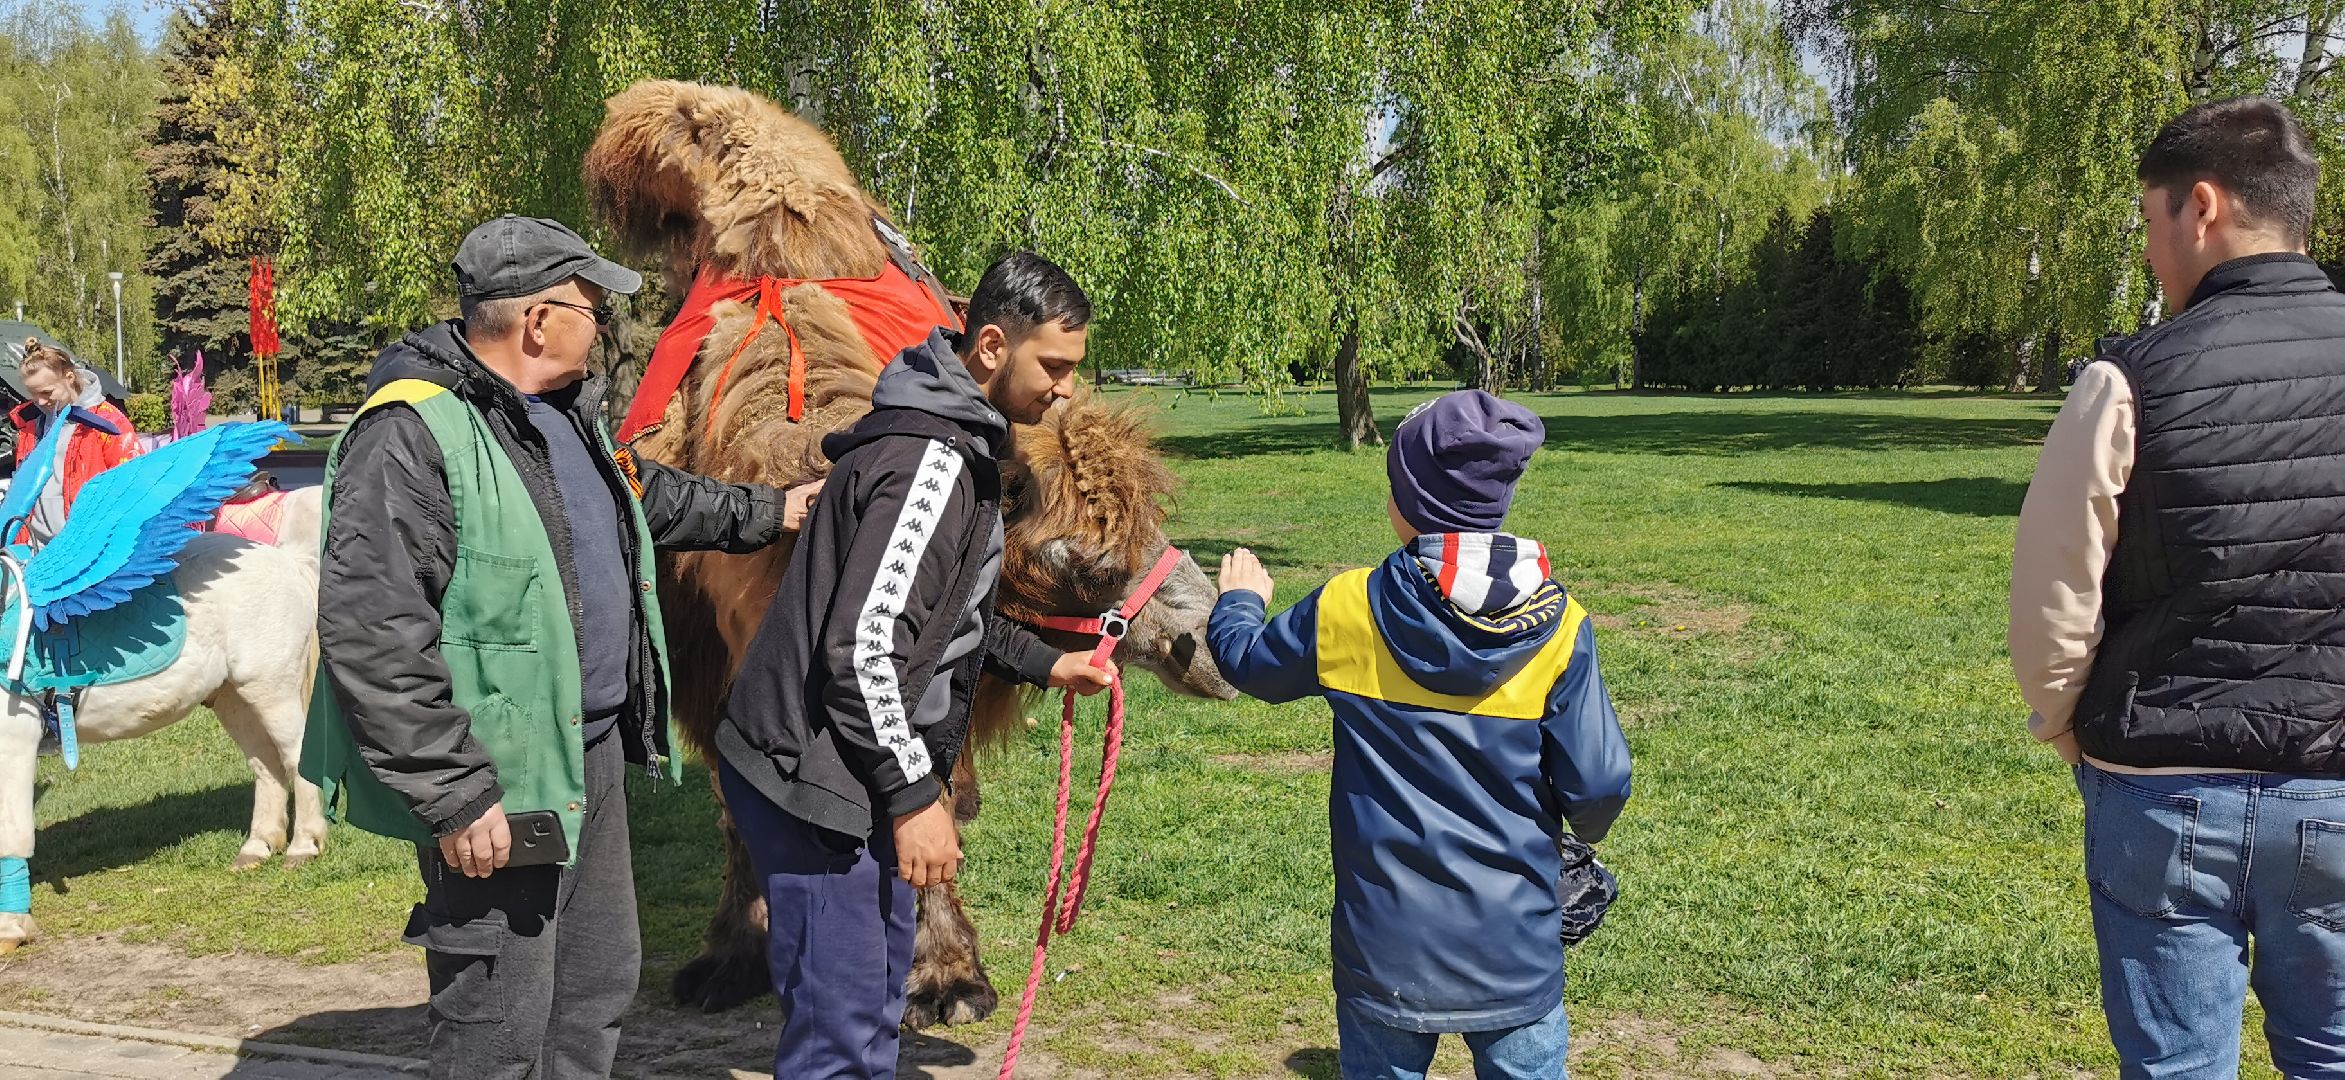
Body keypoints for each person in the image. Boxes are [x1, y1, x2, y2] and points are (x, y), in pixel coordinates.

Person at [304, 215, 810, 1079]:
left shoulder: (559, 419)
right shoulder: (411, 432)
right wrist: (456, 795)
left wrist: (775, 511)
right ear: (537, 320)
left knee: (594, 986)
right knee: (497, 1018)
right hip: (499, 779)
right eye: (591, 307)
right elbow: (371, 634)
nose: (604, 326)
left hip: (591, 754)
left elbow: (647, 501)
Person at [715, 251, 1116, 1079]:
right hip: (817, 783)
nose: (1066, 390)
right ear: (992, 346)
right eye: (1055, 366)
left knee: (864, 1019)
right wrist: (913, 800)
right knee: (839, 1037)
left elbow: (933, 623)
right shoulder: (930, 462)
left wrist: (1045, 663)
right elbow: (862, 653)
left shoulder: (955, 444)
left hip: (843, 772)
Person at [2010, 96, 2345, 1078]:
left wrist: (2064, 723)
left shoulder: (2124, 380)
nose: (2152, 255)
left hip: (2157, 793)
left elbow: (2051, 597)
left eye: (2148, 223)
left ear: (2197, 207)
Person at [1207, 389, 1632, 1080]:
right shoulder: (1561, 626)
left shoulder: (1346, 607)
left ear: (1407, 499)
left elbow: (1250, 665)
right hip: (1514, 947)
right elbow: (1599, 786)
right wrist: (1575, 827)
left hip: (1384, 949)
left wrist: (1239, 603)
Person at [9, 339, 136, 546]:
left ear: (68, 377)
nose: (40, 402)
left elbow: (131, 484)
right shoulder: (31, 423)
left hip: (84, 547)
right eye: (33, 395)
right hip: (33, 546)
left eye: (46, 392)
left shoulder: (108, 423)